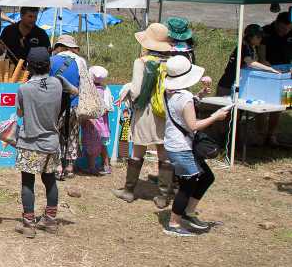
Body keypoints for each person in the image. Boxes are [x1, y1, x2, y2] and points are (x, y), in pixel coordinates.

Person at [162, 56, 232, 237]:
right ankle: (173, 224)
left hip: (174, 144)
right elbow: (193, 125)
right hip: (181, 147)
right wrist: (215, 117)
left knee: (207, 177)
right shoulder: (184, 97)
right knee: (187, 185)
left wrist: (200, 94)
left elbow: (183, 107)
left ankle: (188, 211)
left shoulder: (169, 92)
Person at [15, 47, 78, 238]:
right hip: (51, 142)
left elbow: (20, 113)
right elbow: (75, 91)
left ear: (29, 66)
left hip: (29, 143)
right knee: (50, 181)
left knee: (28, 182)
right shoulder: (58, 83)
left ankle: (28, 224)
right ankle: (50, 221)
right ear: (49, 66)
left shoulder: (24, 89)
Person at [114, 23, 172, 205]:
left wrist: (127, 90)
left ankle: (129, 190)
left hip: (146, 111)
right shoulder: (172, 62)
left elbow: (137, 91)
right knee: (163, 152)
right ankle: (163, 195)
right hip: (167, 111)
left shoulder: (142, 62)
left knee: (138, 150)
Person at [49, 34, 84, 180]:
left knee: (55, 134)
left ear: (59, 47)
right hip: (75, 104)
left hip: (56, 105)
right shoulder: (80, 62)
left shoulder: (51, 60)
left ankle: (58, 167)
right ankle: (70, 168)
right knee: (73, 134)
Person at [260, 11, 291, 145]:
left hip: (287, 74)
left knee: (281, 105)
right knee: (263, 105)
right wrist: (268, 66)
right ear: (277, 23)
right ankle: (260, 135)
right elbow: (261, 56)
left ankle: (272, 135)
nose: (285, 32)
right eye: (283, 28)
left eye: (288, 29)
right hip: (268, 71)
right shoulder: (265, 31)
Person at [217, 24, 277, 96]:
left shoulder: (250, 47)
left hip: (235, 84)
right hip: (227, 85)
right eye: (258, 37)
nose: (261, 39)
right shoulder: (244, 47)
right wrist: (269, 69)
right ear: (250, 37)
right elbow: (251, 63)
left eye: (261, 36)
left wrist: (264, 64)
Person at [81, 66, 113, 175]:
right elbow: (108, 107)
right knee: (103, 144)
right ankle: (106, 166)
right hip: (103, 122)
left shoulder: (89, 90)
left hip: (93, 122)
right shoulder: (105, 89)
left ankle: (92, 167)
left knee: (91, 144)